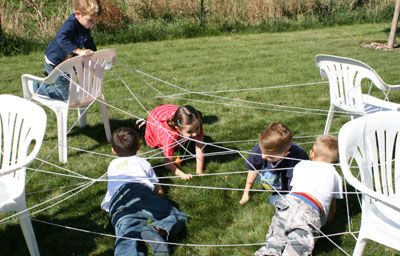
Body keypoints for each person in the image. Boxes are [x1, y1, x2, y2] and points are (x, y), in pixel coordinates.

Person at [101, 127, 188, 256]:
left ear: (113, 150)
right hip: (139, 193)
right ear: (138, 146)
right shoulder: (143, 162)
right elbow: (159, 191)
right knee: (176, 215)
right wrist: (156, 200)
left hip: (116, 203)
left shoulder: (112, 165)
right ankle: (155, 230)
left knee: (127, 236)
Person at [254, 135, 343, 256]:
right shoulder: (335, 175)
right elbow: (332, 205)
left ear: (312, 153)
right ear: (336, 161)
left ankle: (270, 251)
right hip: (310, 212)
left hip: (289, 203)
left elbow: (294, 189)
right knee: (297, 247)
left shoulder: (301, 165)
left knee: (276, 238)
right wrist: (325, 223)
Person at [33, 0, 101, 101]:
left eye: (95, 21)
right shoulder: (71, 23)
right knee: (64, 96)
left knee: (69, 83)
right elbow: (61, 38)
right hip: (56, 62)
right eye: (90, 20)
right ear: (78, 14)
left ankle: (51, 75)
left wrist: (95, 54)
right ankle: (37, 87)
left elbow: (88, 40)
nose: (92, 24)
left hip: (66, 62)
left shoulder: (85, 25)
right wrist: (79, 51)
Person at [239, 123, 308, 205]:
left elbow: (294, 189)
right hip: (268, 174)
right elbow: (253, 168)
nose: (263, 156)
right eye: (262, 152)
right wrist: (246, 192)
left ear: (285, 154)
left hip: (286, 187)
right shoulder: (262, 148)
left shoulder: (297, 161)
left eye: (270, 157)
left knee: (274, 200)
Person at [142, 104, 205, 180]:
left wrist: (199, 171)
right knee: (160, 143)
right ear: (177, 128)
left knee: (182, 140)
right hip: (156, 116)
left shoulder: (195, 123)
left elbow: (199, 149)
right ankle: (143, 124)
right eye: (189, 131)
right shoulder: (169, 135)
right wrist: (182, 174)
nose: (195, 133)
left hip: (170, 111)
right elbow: (167, 162)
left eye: (197, 128)